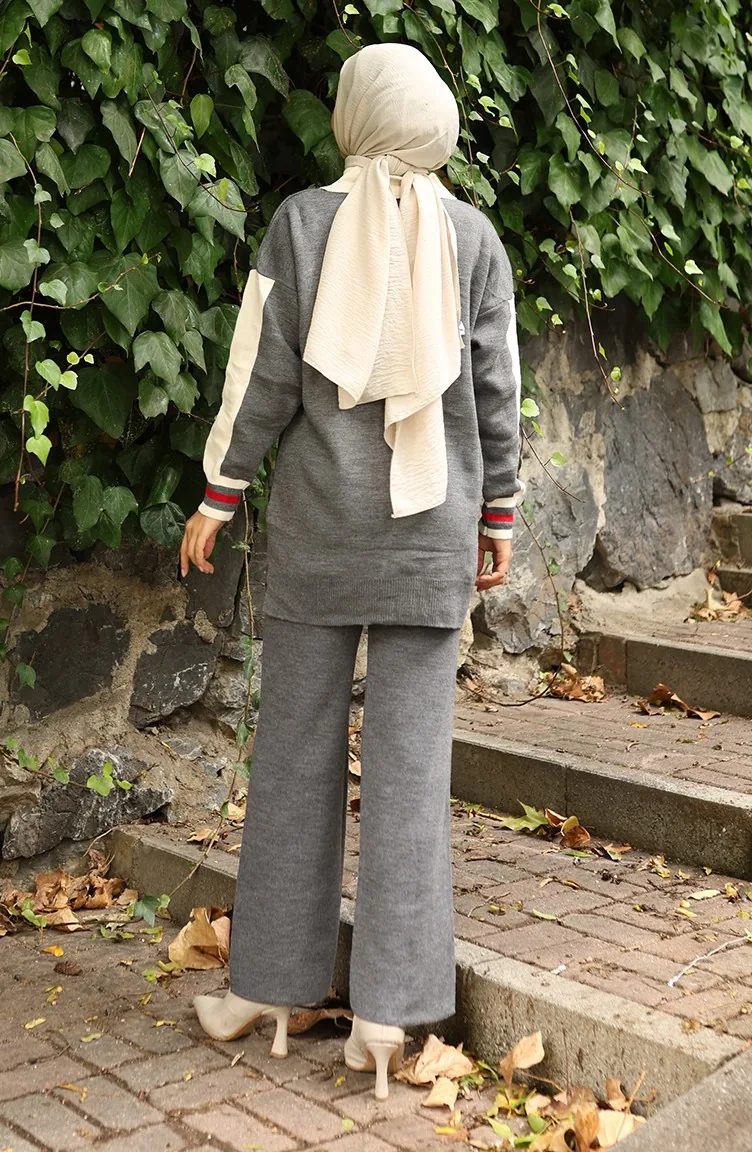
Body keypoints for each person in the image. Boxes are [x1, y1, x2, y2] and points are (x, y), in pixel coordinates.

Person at [180, 42, 525, 1100]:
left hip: (320, 534)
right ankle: (388, 1015)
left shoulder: (302, 223)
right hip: (430, 531)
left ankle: (268, 991)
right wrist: (499, 513)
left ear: (353, 115)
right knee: (413, 777)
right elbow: (498, 388)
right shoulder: (474, 238)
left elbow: (261, 372)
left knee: (292, 756)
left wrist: (220, 491)